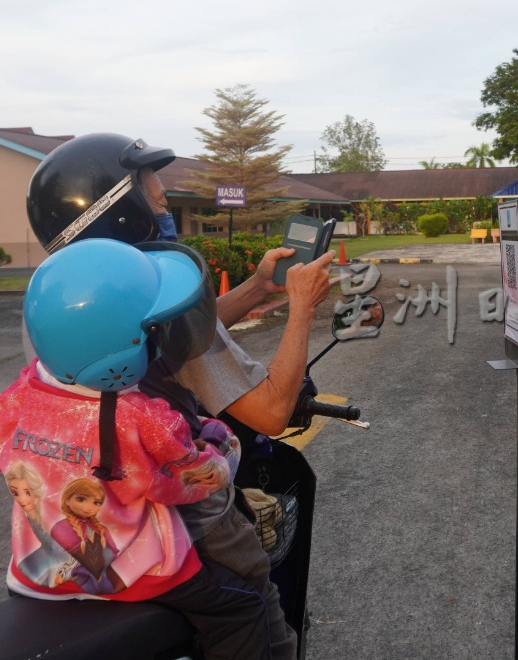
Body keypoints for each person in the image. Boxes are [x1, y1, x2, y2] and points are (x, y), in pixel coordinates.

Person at [26, 132, 334, 658]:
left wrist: (258, 287)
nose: (166, 210)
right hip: (182, 522)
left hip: (91, 511)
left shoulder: (56, 296)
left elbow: (171, 348)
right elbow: (270, 413)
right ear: (121, 212)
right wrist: (302, 308)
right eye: (158, 200)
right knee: (258, 617)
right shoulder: (158, 296)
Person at [0, 238, 275, 660]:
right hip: (136, 576)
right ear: (122, 353)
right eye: (153, 332)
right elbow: (186, 482)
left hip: (39, 574)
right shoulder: (141, 418)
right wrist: (219, 444)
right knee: (243, 610)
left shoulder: (13, 399)